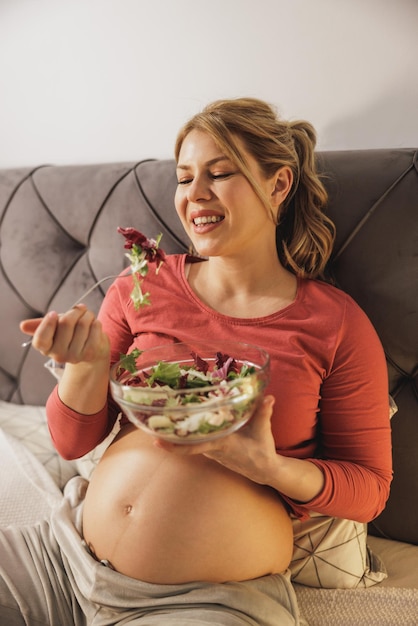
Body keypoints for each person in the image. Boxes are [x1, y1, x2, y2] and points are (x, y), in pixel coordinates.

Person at [2, 97, 392, 625]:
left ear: (278, 185)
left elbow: (368, 488)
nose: (195, 195)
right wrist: (89, 366)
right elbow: (73, 443)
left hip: (208, 600)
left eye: (220, 173)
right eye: (184, 178)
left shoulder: (336, 324)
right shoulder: (142, 285)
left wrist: (269, 469)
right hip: (63, 555)